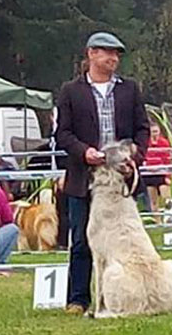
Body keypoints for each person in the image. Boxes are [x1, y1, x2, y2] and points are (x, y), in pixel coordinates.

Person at [54, 31, 149, 315]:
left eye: (117, 53)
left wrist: (136, 156)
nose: (113, 58)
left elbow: (142, 129)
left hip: (120, 178)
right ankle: (78, 299)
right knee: (81, 238)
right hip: (84, 177)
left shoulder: (129, 89)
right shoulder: (71, 91)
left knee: (126, 238)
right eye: (107, 52)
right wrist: (84, 152)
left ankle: (127, 293)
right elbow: (62, 134)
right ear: (91, 54)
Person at [143, 122, 172, 212]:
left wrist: (168, 176)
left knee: (167, 198)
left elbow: (167, 161)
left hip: (161, 173)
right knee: (153, 201)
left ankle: (170, 217)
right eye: (153, 131)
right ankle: (157, 222)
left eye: (156, 131)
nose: (155, 133)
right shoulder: (145, 143)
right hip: (148, 174)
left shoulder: (164, 143)